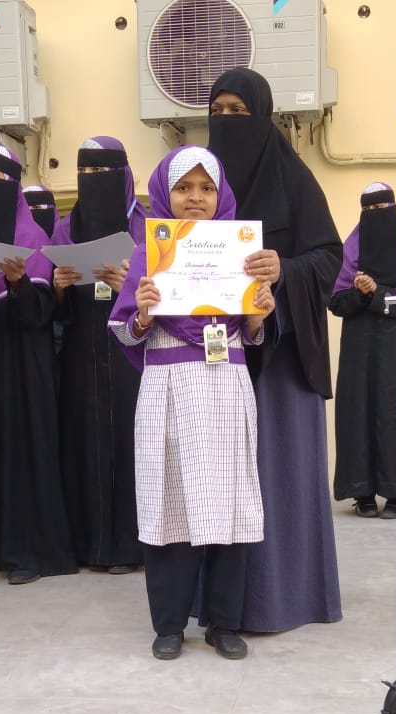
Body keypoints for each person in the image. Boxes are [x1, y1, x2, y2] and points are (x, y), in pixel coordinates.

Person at [109, 146, 275, 661]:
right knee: (170, 500)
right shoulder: (147, 254)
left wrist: (257, 315)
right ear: (165, 194)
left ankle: (224, 622)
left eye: (206, 188)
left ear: (221, 195)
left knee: (229, 501)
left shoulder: (243, 255)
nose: (195, 198)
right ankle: (169, 624)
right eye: (183, 188)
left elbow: (253, 334)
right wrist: (141, 313)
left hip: (226, 384)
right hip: (169, 388)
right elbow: (124, 332)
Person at [208, 67, 343, 633]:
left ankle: (286, 598)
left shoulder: (295, 178)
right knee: (220, 478)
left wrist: (282, 269)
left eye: (239, 112)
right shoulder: (202, 184)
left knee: (276, 473)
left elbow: (329, 257)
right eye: (218, 111)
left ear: (263, 115)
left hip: (283, 360)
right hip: (214, 357)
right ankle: (220, 606)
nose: (227, 121)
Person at [0, 144, 76, 584]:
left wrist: (18, 283)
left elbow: (43, 315)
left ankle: (28, 551)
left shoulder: (34, 242)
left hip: (22, 367)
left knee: (23, 449)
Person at [53, 137, 148, 574]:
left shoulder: (147, 228)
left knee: (132, 444)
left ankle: (131, 546)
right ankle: (90, 545)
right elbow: (49, 306)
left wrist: (128, 286)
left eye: (103, 173)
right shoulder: (65, 229)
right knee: (84, 445)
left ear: (123, 176)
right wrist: (58, 287)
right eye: (85, 173)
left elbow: (163, 295)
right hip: (81, 353)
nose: (93, 181)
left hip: (131, 354)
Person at [330, 181, 396, 519]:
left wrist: (377, 292)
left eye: (382, 209)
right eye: (369, 209)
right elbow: (336, 303)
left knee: (394, 415)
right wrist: (359, 293)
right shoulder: (351, 251)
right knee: (357, 413)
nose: (376, 215)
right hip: (358, 350)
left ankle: (395, 494)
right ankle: (361, 493)